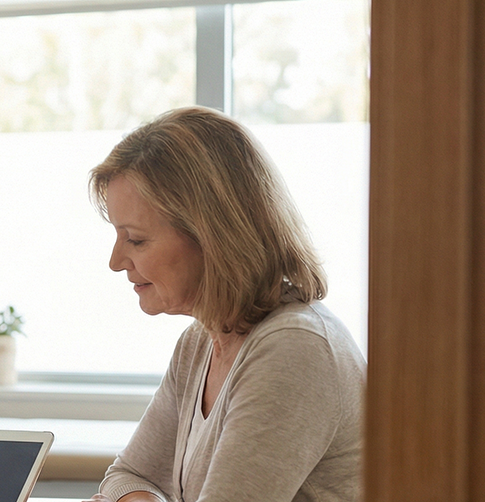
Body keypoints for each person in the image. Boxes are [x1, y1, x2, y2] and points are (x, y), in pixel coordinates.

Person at [86, 107, 366, 502]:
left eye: (136, 240)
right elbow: (128, 475)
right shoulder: (200, 341)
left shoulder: (295, 348)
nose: (116, 262)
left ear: (212, 236)